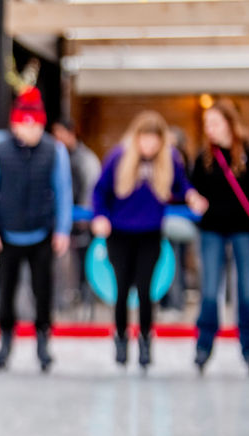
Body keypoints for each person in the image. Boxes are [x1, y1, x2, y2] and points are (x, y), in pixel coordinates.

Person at [91, 110, 208, 370]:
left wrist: (192, 196)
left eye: (155, 140)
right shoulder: (119, 158)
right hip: (120, 234)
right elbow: (100, 190)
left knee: (146, 291)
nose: (150, 146)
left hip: (150, 233)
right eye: (145, 139)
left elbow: (181, 186)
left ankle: (145, 341)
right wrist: (100, 216)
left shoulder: (169, 160)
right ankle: (121, 339)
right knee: (121, 290)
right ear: (137, 138)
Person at [0, 86, 73, 371]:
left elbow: (63, 193)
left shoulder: (55, 151)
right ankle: (5, 342)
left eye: (36, 125)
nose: (31, 130)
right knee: (6, 291)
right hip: (7, 235)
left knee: (43, 291)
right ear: (15, 123)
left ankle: (43, 342)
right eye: (25, 124)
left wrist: (62, 230)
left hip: (42, 233)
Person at [190, 100, 249, 375]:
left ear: (229, 122)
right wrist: (192, 198)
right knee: (210, 290)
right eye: (207, 124)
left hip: (243, 230)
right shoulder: (205, 156)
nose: (210, 129)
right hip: (212, 229)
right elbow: (191, 188)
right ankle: (203, 346)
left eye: (214, 122)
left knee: (247, 291)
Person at [52, 119, 102, 311]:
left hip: (81, 222)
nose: (57, 139)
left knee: (83, 263)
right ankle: (64, 298)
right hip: (61, 221)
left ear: (71, 133)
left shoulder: (85, 159)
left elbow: (92, 187)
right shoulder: (56, 156)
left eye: (60, 134)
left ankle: (83, 298)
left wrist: (84, 214)